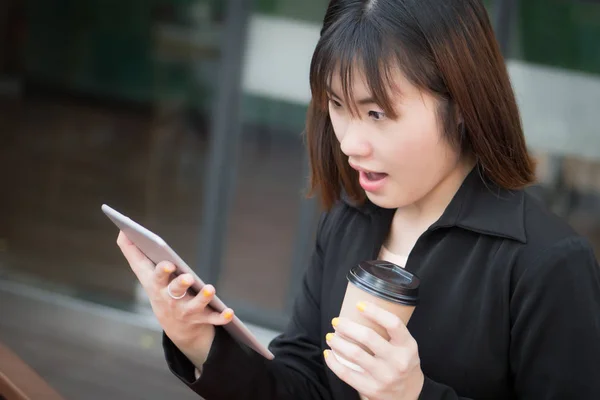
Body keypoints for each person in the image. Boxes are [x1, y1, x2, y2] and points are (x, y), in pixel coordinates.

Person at [116, 0, 600, 399]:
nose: (349, 143)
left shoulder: (548, 265)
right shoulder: (352, 217)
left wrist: (415, 394)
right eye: (338, 107)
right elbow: (303, 385)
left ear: (461, 106)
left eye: (376, 113)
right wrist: (200, 341)